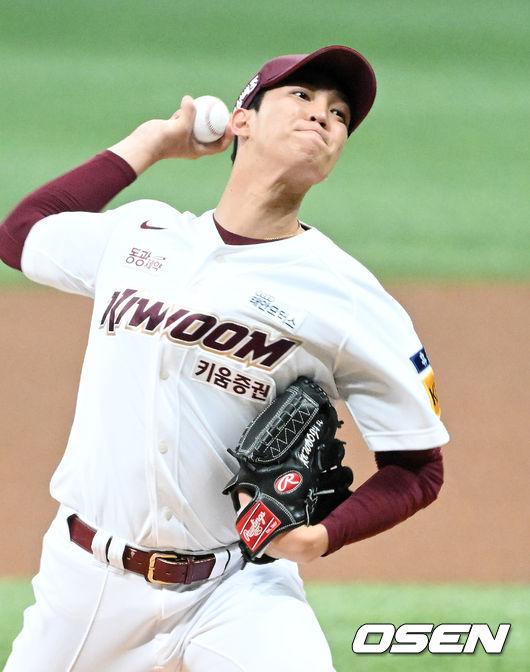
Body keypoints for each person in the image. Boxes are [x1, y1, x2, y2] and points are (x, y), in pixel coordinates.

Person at [0, 45, 449, 671]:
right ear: (241, 120)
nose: (323, 116)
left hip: (239, 587)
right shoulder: (140, 235)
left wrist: (321, 538)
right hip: (87, 583)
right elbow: (20, 234)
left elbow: (419, 468)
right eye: (302, 96)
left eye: (340, 113)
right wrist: (150, 144)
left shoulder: (349, 298)